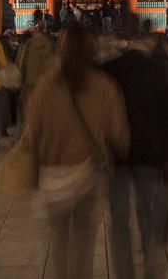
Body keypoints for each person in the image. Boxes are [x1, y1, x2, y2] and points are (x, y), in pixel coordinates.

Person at [23, 27, 130, 279]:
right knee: (83, 240)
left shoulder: (46, 87)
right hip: (87, 174)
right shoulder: (103, 86)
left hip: (52, 175)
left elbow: (31, 134)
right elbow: (120, 136)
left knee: (59, 240)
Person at [102, 30, 168, 279]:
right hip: (151, 152)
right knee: (148, 212)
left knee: (119, 219)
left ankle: (125, 271)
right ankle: (150, 266)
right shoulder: (156, 71)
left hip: (118, 153)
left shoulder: (109, 70)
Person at [15, 9, 55, 119]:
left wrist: (21, 80)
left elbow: (22, 61)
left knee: (29, 114)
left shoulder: (28, 43)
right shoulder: (49, 42)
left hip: (30, 82)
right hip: (44, 84)